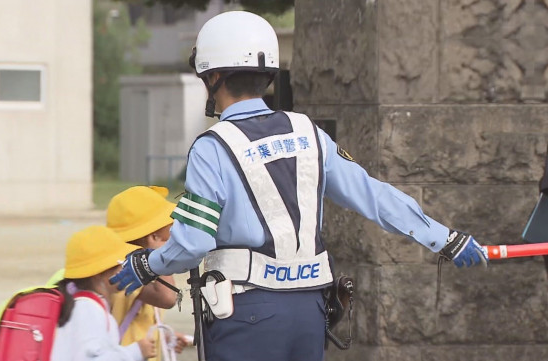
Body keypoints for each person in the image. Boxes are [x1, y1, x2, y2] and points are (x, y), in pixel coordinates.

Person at [109, 11, 489, 361]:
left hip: (246, 314)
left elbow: (193, 244)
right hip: (310, 311)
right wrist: (445, 238)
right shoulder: (309, 132)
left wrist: (146, 264)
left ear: (213, 77)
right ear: (269, 73)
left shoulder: (213, 147)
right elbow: (373, 195)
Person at [106, 186, 192, 360]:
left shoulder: (143, 270)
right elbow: (168, 298)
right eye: (170, 236)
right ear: (153, 237)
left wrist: (165, 335)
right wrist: (160, 258)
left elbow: (141, 317)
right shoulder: (122, 269)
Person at [51, 225, 156, 361]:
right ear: (99, 273)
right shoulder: (88, 309)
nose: (126, 269)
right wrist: (135, 351)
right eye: (122, 263)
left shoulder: (83, 305)